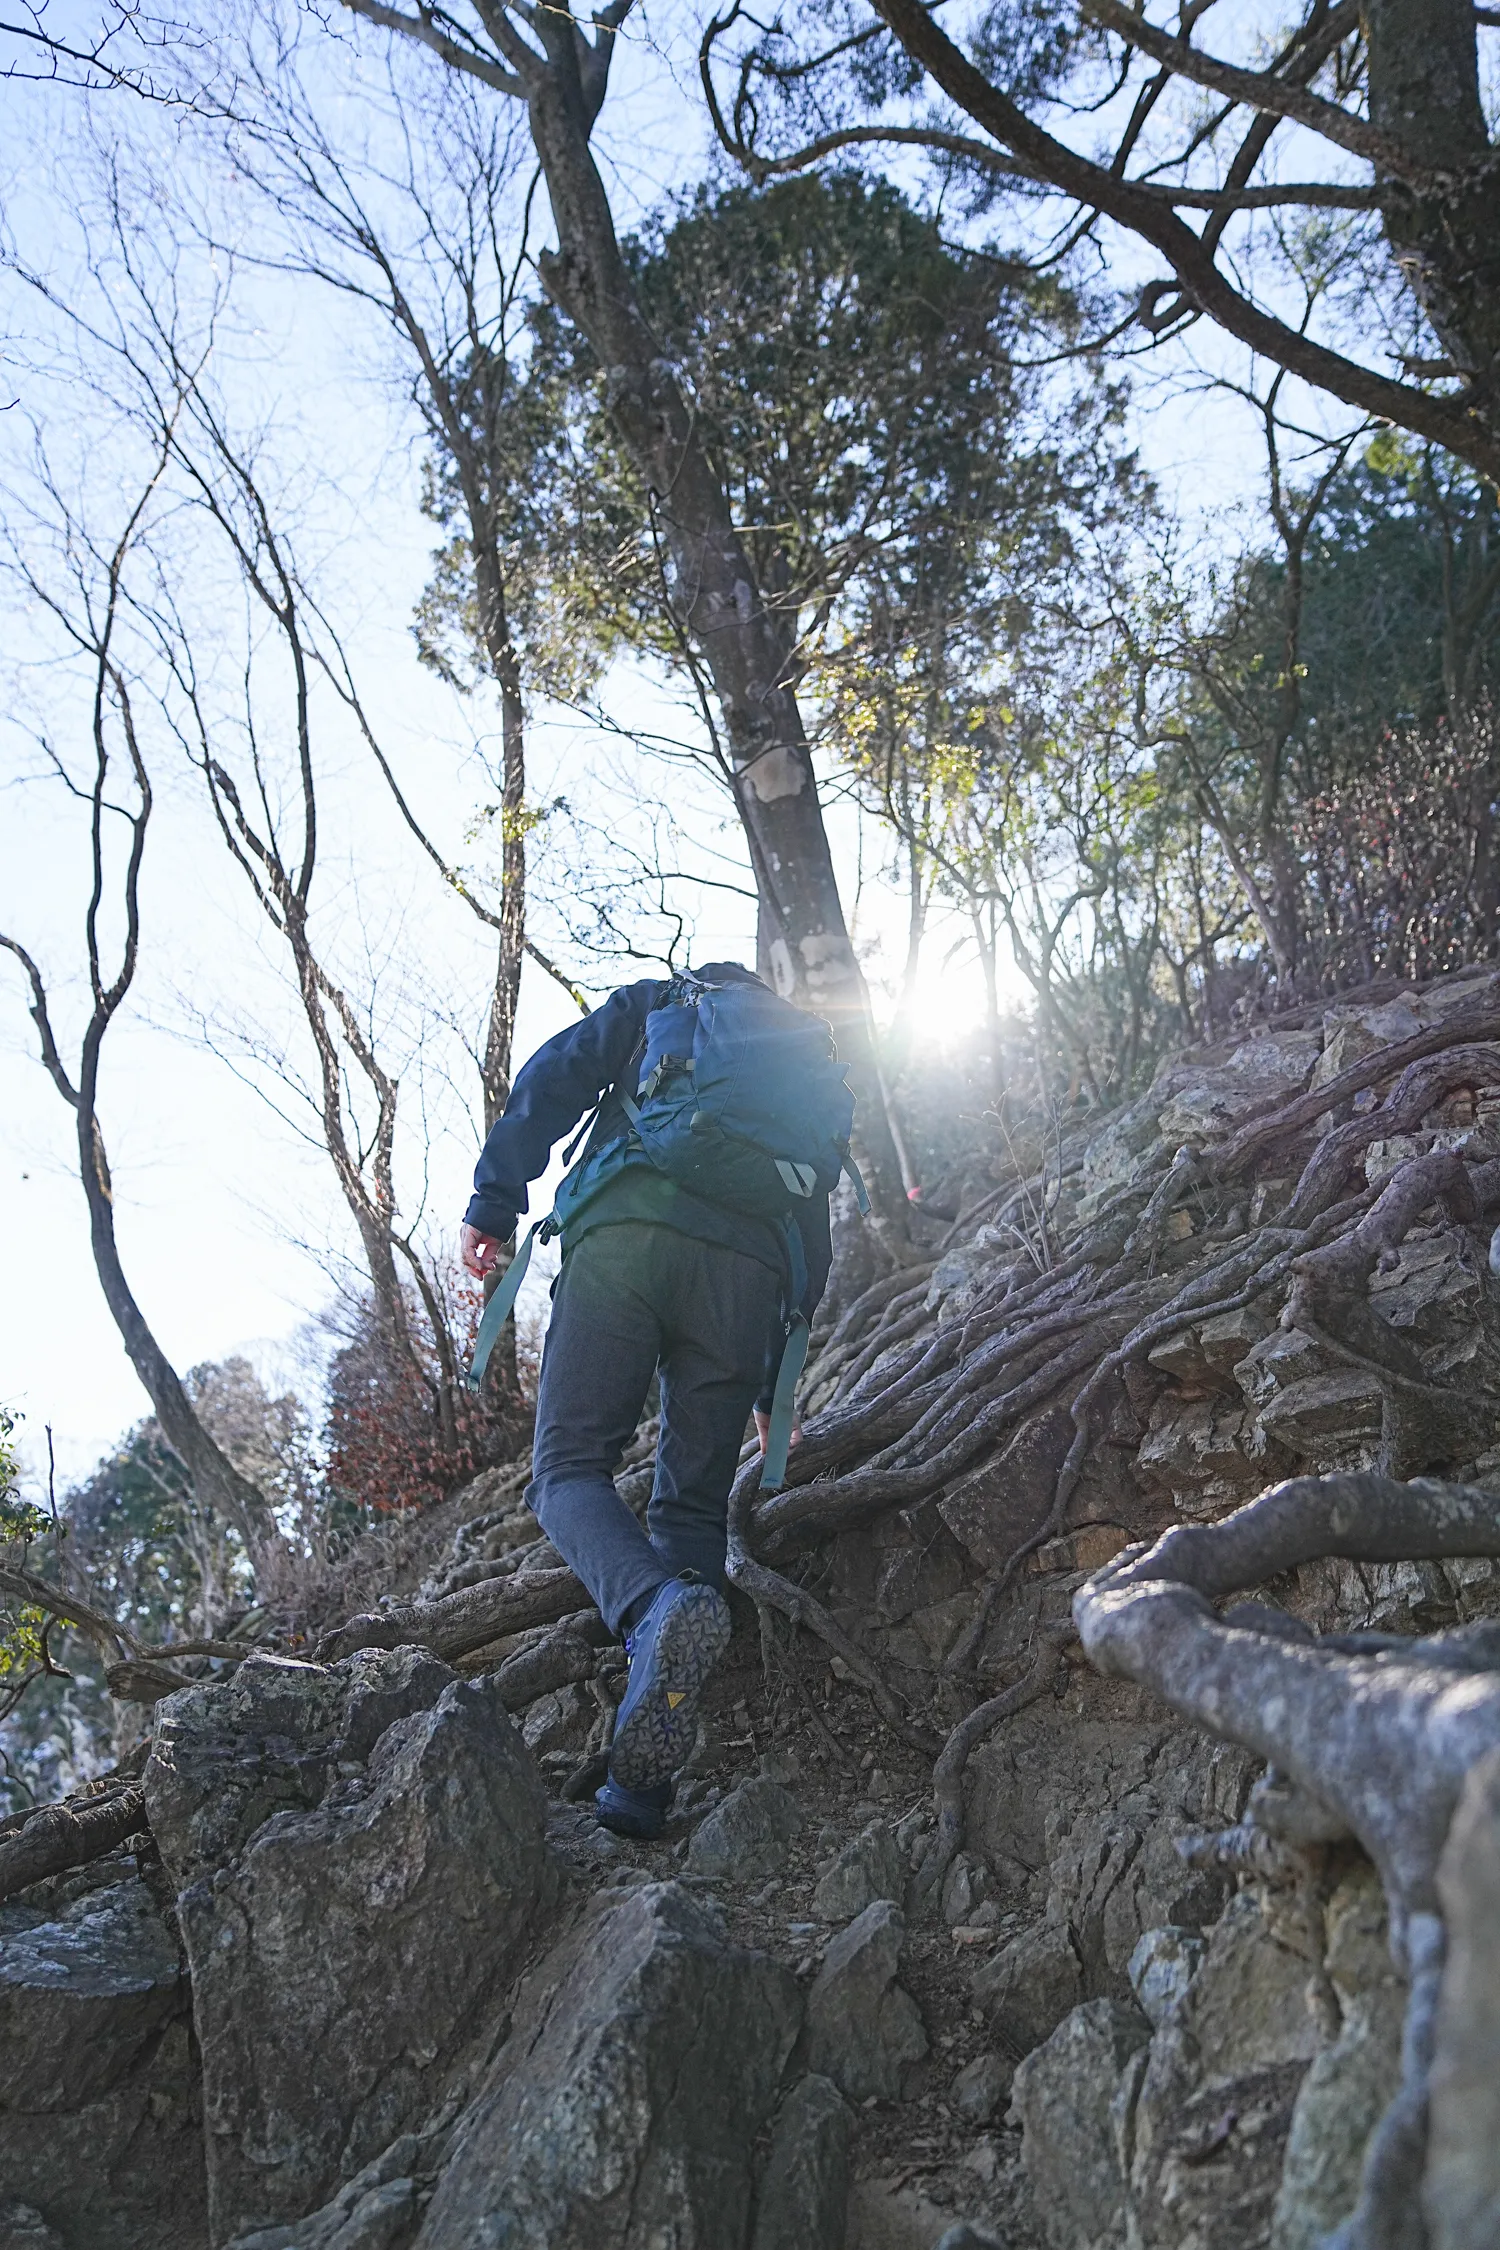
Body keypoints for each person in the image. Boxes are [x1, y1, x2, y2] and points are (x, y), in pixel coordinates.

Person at [460, 961, 836, 1840]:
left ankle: (649, 1610)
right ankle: (642, 1788)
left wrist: (494, 1200)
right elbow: (812, 1221)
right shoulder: (801, 1061)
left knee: (566, 1471)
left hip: (625, 1232)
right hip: (747, 1279)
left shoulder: (660, 1003)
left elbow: (553, 1079)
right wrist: (775, 1384)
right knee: (692, 1506)